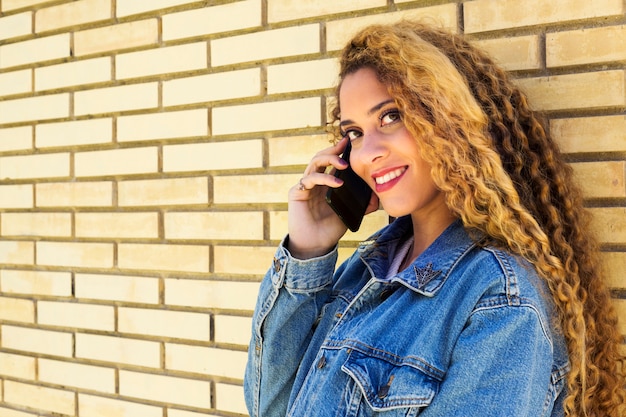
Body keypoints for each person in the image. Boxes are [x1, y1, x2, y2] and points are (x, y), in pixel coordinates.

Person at [244, 20, 626, 417]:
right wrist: (308, 249)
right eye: (354, 132)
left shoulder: (498, 299)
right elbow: (269, 406)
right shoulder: (365, 271)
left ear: (448, 122)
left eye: (390, 117)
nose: (367, 153)